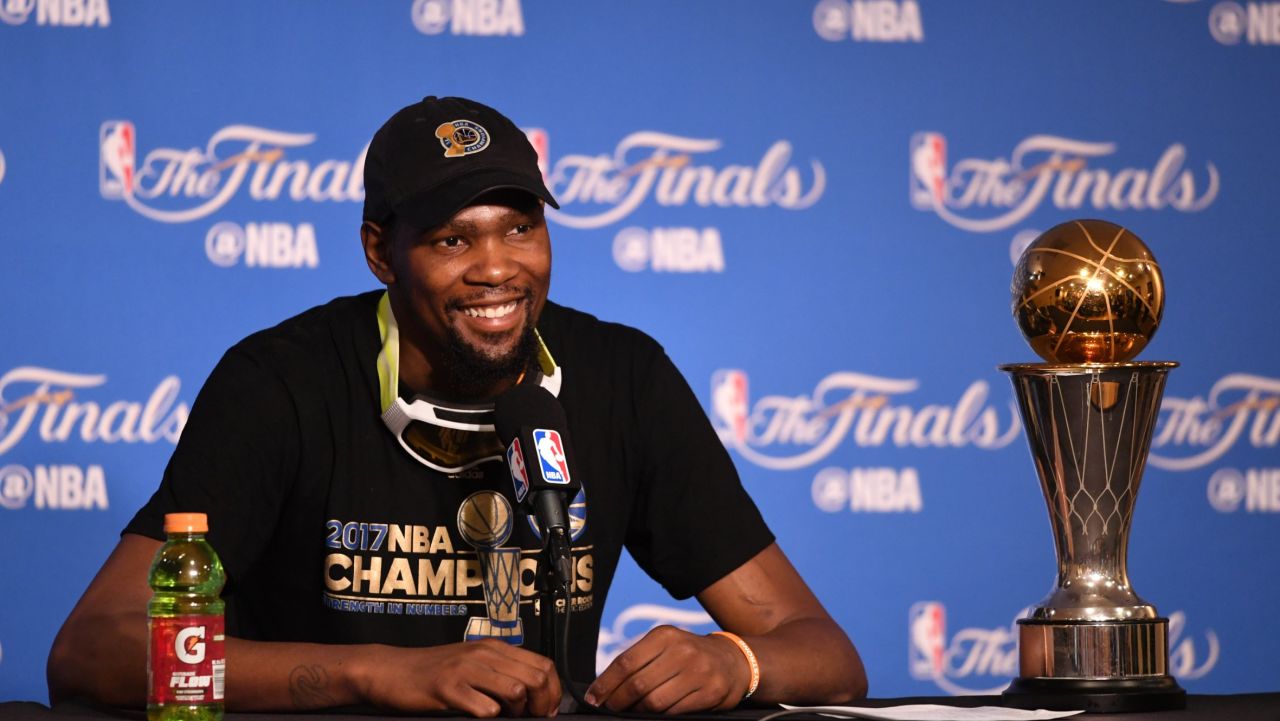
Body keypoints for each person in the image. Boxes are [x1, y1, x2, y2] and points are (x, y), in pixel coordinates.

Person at [47, 95, 867, 717]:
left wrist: (736, 663)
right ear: (381, 252)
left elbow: (822, 650)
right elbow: (91, 646)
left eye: (519, 228)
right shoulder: (280, 381)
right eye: (452, 239)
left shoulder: (623, 378)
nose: (497, 269)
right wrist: (378, 671)